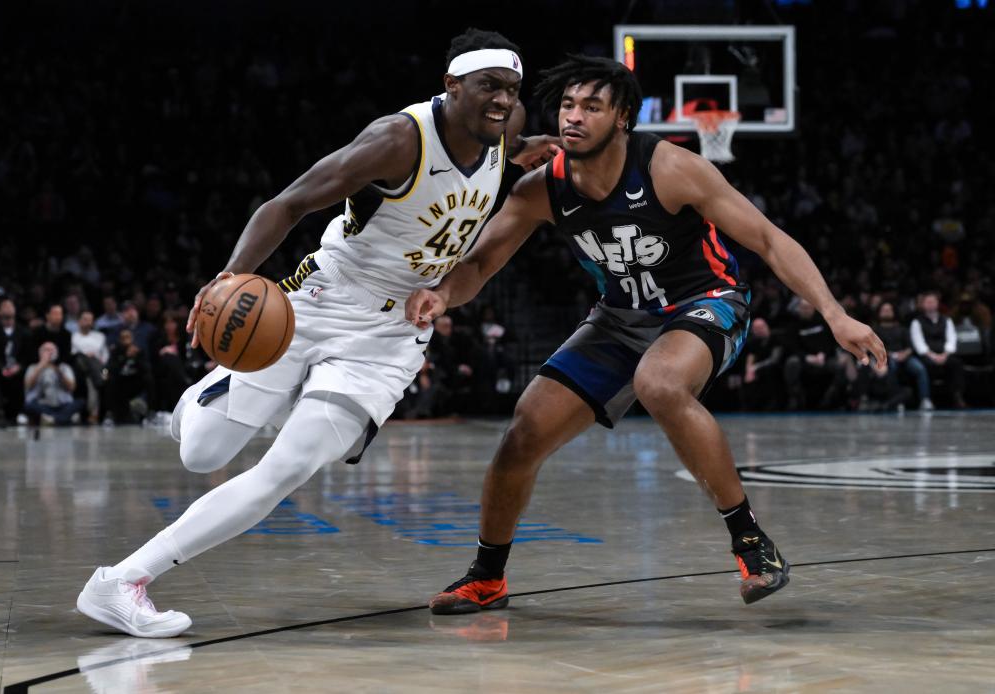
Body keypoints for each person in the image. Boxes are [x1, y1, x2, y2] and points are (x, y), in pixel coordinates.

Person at [76, 28, 559, 638]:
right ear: (451, 85)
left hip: (389, 336)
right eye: (489, 86)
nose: (502, 101)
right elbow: (287, 204)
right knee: (201, 454)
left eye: (512, 90)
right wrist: (231, 277)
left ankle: (122, 581)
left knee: (286, 470)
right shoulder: (397, 139)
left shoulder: (504, 124)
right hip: (320, 300)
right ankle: (206, 396)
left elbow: (506, 145)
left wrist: (526, 146)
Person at [404, 55, 885, 614]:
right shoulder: (542, 189)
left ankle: (751, 541)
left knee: (658, 382)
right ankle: (487, 577)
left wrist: (835, 313)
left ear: (623, 118)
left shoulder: (670, 168)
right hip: (619, 316)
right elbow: (480, 265)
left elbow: (768, 239)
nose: (573, 118)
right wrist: (442, 295)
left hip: (707, 302)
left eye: (591, 106)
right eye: (566, 105)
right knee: (522, 436)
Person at [910, 291, 966, 408]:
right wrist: (933, 356)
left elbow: (951, 340)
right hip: (927, 355)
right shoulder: (917, 322)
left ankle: (957, 396)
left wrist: (945, 355)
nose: (930, 304)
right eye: (927, 302)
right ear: (923, 304)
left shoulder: (947, 320)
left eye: (933, 301)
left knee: (956, 364)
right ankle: (928, 398)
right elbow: (919, 344)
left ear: (937, 303)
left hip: (944, 354)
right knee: (926, 366)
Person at [874, 301, 931, 410]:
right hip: (886, 358)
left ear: (894, 312)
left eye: (889, 310)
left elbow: (910, 347)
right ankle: (896, 400)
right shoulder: (875, 330)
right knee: (892, 366)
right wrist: (890, 355)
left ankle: (925, 399)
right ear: (879, 313)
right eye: (884, 310)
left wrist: (904, 354)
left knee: (919, 368)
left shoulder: (902, 329)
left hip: (905, 357)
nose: (886, 312)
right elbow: (874, 348)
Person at [0, 299, 34, 421]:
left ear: (15, 310)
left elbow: (28, 355)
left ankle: (23, 411)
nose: (7, 308)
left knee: (25, 376)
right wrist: (2, 368)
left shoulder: (24, 332)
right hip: (0, 370)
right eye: (4, 306)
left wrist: (19, 367)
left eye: (10, 306)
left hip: (19, 369)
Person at [23, 342, 83, 425]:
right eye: (46, 350)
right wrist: (41, 366)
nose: (50, 352)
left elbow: (72, 388)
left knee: (80, 403)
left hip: (62, 405)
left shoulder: (64, 367)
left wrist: (58, 372)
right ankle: (65, 419)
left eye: (52, 350)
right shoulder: (33, 367)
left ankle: (52, 419)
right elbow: (28, 385)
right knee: (28, 406)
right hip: (42, 404)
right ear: (40, 353)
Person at [71, 310, 108, 423]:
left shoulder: (100, 336)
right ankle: (93, 413)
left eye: (90, 320)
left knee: (105, 374)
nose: (87, 322)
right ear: (79, 321)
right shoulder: (73, 337)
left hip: (101, 368)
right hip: (81, 369)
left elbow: (106, 356)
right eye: (85, 319)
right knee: (84, 359)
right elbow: (73, 355)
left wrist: (102, 366)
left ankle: (99, 413)